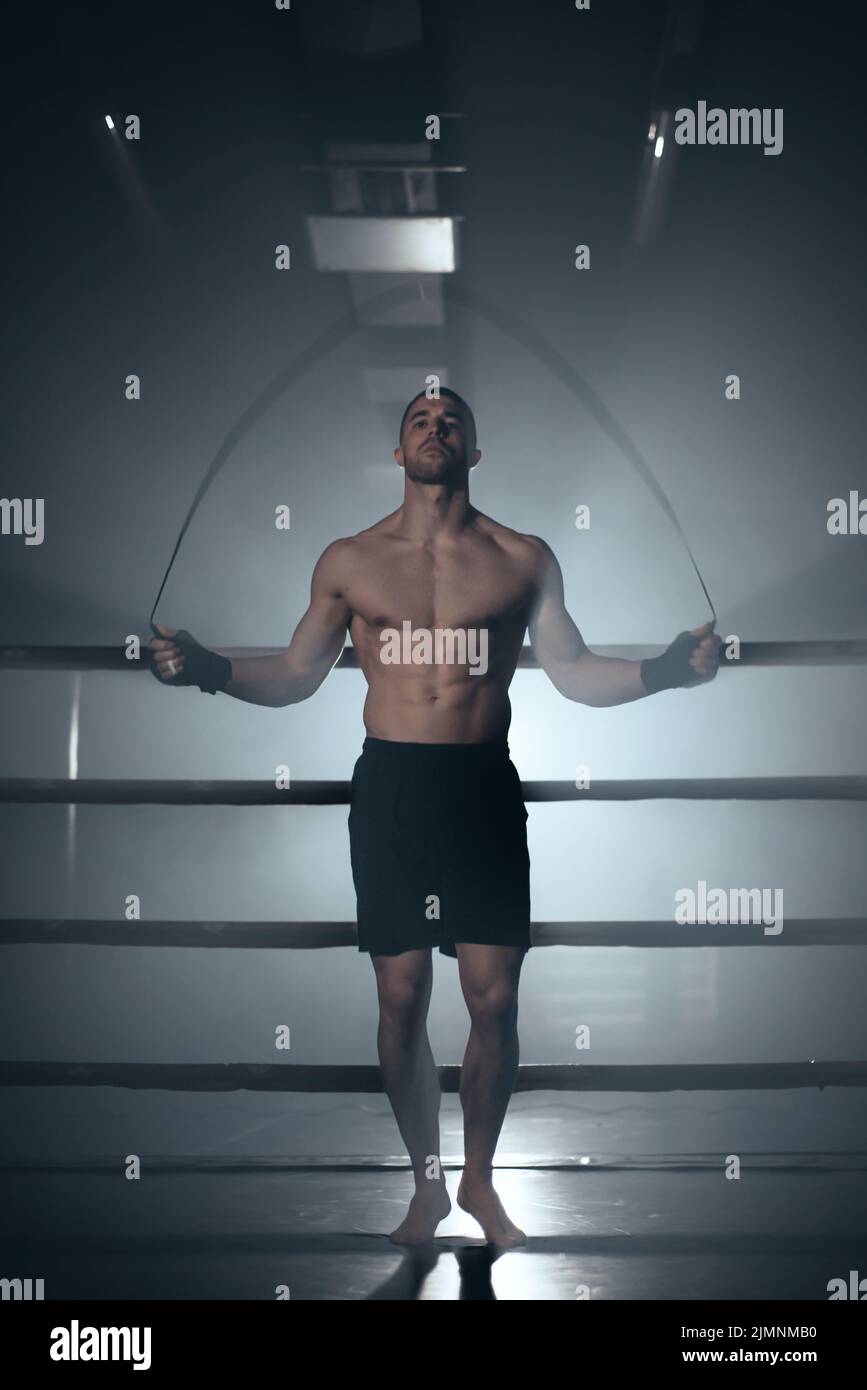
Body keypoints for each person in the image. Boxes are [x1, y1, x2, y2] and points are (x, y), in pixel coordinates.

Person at [149, 386, 720, 1248]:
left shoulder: (522, 557)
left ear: (474, 451)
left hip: (482, 788)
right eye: (418, 420)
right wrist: (205, 669)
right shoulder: (350, 559)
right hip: (395, 789)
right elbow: (298, 674)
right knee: (401, 998)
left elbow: (571, 671)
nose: (434, 427)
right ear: (398, 450)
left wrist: (664, 673)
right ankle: (427, 1188)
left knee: (493, 1002)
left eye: (449, 420)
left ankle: (482, 1185)